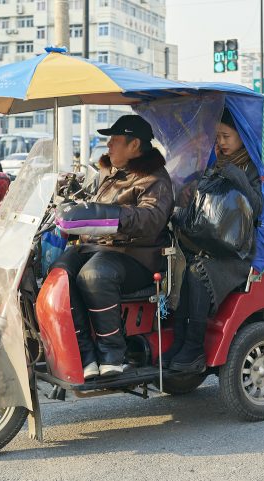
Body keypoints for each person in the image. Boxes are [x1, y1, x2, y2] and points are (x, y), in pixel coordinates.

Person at [53, 115, 174, 379]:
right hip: (97, 248)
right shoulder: (110, 173)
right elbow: (90, 203)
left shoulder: (155, 179)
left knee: (94, 275)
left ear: (134, 146)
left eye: (115, 140)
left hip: (136, 255)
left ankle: (112, 354)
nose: (108, 146)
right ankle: (84, 355)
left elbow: (151, 219)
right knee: (59, 272)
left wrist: (115, 214)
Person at [165, 108, 264, 372]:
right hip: (211, 244)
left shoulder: (252, 168)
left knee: (198, 273)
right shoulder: (217, 164)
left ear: (242, 137)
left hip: (235, 253)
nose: (220, 142)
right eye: (218, 137)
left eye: (226, 137)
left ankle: (195, 348)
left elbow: (257, 206)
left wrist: (235, 174)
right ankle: (180, 342)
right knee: (184, 270)